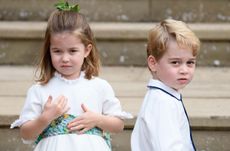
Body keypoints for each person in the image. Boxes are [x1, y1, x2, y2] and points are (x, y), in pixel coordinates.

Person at [11, 2, 132, 151]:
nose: (65, 58)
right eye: (57, 51)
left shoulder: (99, 86)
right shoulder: (40, 90)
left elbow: (118, 125)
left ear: (87, 50)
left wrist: (98, 119)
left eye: (72, 51)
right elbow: (26, 134)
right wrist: (46, 117)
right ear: (49, 50)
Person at [131, 19, 200, 151]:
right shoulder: (162, 103)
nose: (184, 70)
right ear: (153, 63)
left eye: (190, 62)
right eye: (175, 62)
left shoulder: (165, 96)